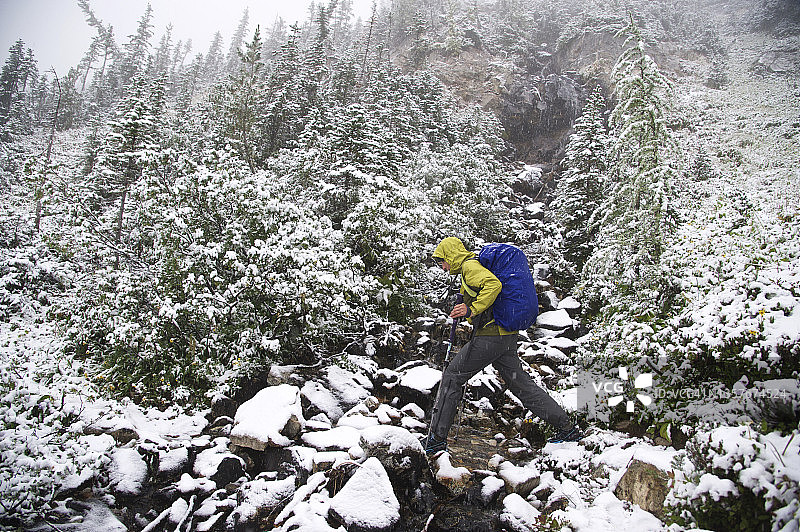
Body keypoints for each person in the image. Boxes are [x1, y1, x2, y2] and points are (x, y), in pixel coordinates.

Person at [422, 237, 582, 454]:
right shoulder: (471, 268)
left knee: (452, 377)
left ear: (451, 256)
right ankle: (566, 427)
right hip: (506, 337)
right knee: (521, 385)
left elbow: (493, 285)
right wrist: (466, 309)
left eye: (441, 261)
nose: (441, 266)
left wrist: (472, 309)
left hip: (491, 337)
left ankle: (436, 440)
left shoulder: (469, 266)